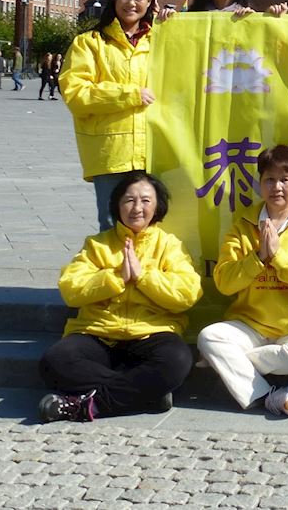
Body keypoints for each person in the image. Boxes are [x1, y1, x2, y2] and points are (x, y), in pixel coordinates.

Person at [37, 171, 202, 422]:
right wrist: (116, 277)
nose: (137, 208)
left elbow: (186, 294)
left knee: (177, 361)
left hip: (151, 332)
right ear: (117, 205)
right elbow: (71, 289)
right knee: (55, 362)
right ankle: (146, 393)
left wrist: (143, 277)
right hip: (98, 332)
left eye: (146, 200)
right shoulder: (97, 245)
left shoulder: (170, 245)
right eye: (129, 200)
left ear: (158, 206)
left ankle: (86, 406)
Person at [197, 144, 288, 417]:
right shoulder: (243, 225)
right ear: (259, 183)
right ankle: (268, 395)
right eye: (269, 179)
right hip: (250, 326)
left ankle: (230, 365)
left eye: (285, 179)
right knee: (209, 337)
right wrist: (258, 257)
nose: (277, 186)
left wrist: (278, 258)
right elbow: (224, 281)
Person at [59, 0, 160, 229]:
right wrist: (130, 94)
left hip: (155, 153)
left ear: (150, 1)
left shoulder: (161, 41)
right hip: (111, 155)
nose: (132, 3)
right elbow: (76, 94)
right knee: (112, 226)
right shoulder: (89, 43)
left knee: (153, 228)